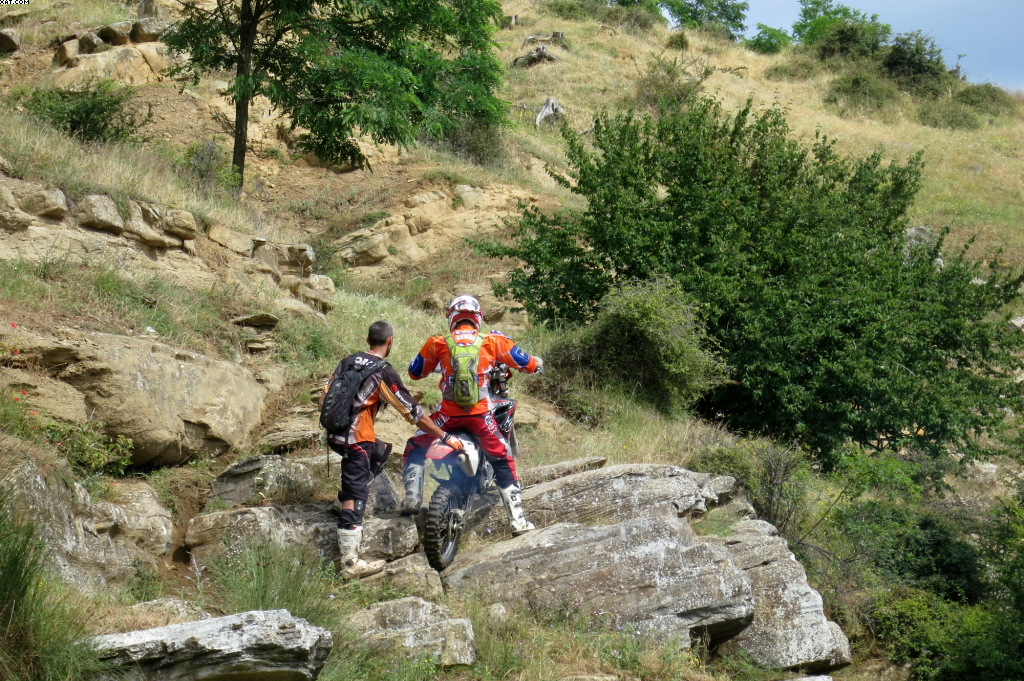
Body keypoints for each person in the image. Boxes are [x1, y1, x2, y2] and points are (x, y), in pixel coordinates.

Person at [326, 320, 463, 578]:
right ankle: (350, 561)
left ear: (368, 340)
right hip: (356, 438)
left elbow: (327, 393)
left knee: (379, 453)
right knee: (356, 491)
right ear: (390, 341)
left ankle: (346, 498)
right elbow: (412, 412)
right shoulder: (382, 371)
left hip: (335, 433)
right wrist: (444, 436)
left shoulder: (349, 361)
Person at [401, 295, 543, 536]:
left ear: (452, 318)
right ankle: (518, 522)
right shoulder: (493, 341)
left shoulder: (437, 342)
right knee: (502, 458)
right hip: (480, 417)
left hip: (447, 417)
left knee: (415, 444)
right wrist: (535, 364)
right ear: (478, 318)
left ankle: (412, 499)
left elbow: (415, 373)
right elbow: (526, 363)